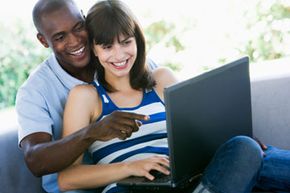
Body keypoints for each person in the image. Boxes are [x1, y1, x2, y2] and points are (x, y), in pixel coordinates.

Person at [56, 1, 272, 193]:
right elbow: (67, 179)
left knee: (245, 146)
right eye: (107, 46)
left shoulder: (162, 79)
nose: (119, 55)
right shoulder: (85, 97)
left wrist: (231, 141)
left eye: (126, 42)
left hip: (186, 179)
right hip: (130, 187)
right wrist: (130, 167)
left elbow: (200, 135)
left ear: (137, 41)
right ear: (93, 49)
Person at [16, 0, 158, 192]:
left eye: (78, 27)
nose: (75, 41)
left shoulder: (119, 60)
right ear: (43, 40)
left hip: (138, 178)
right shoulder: (34, 91)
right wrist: (92, 132)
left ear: (85, 19)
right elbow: (35, 160)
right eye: (60, 37)